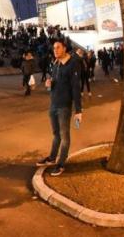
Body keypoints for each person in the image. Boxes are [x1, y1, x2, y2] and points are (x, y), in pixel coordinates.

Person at [36, 40, 82, 177]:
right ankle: (51, 158)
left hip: (64, 106)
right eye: (54, 48)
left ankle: (61, 164)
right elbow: (54, 84)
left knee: (64, 136)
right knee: (56, 134)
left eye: (58, 48)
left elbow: (76, 88)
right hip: (53, 104)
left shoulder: (72, 64)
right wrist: (49, 84)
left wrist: (78, 110)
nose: (55, 50)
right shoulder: (55, 64)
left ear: (64, 48)